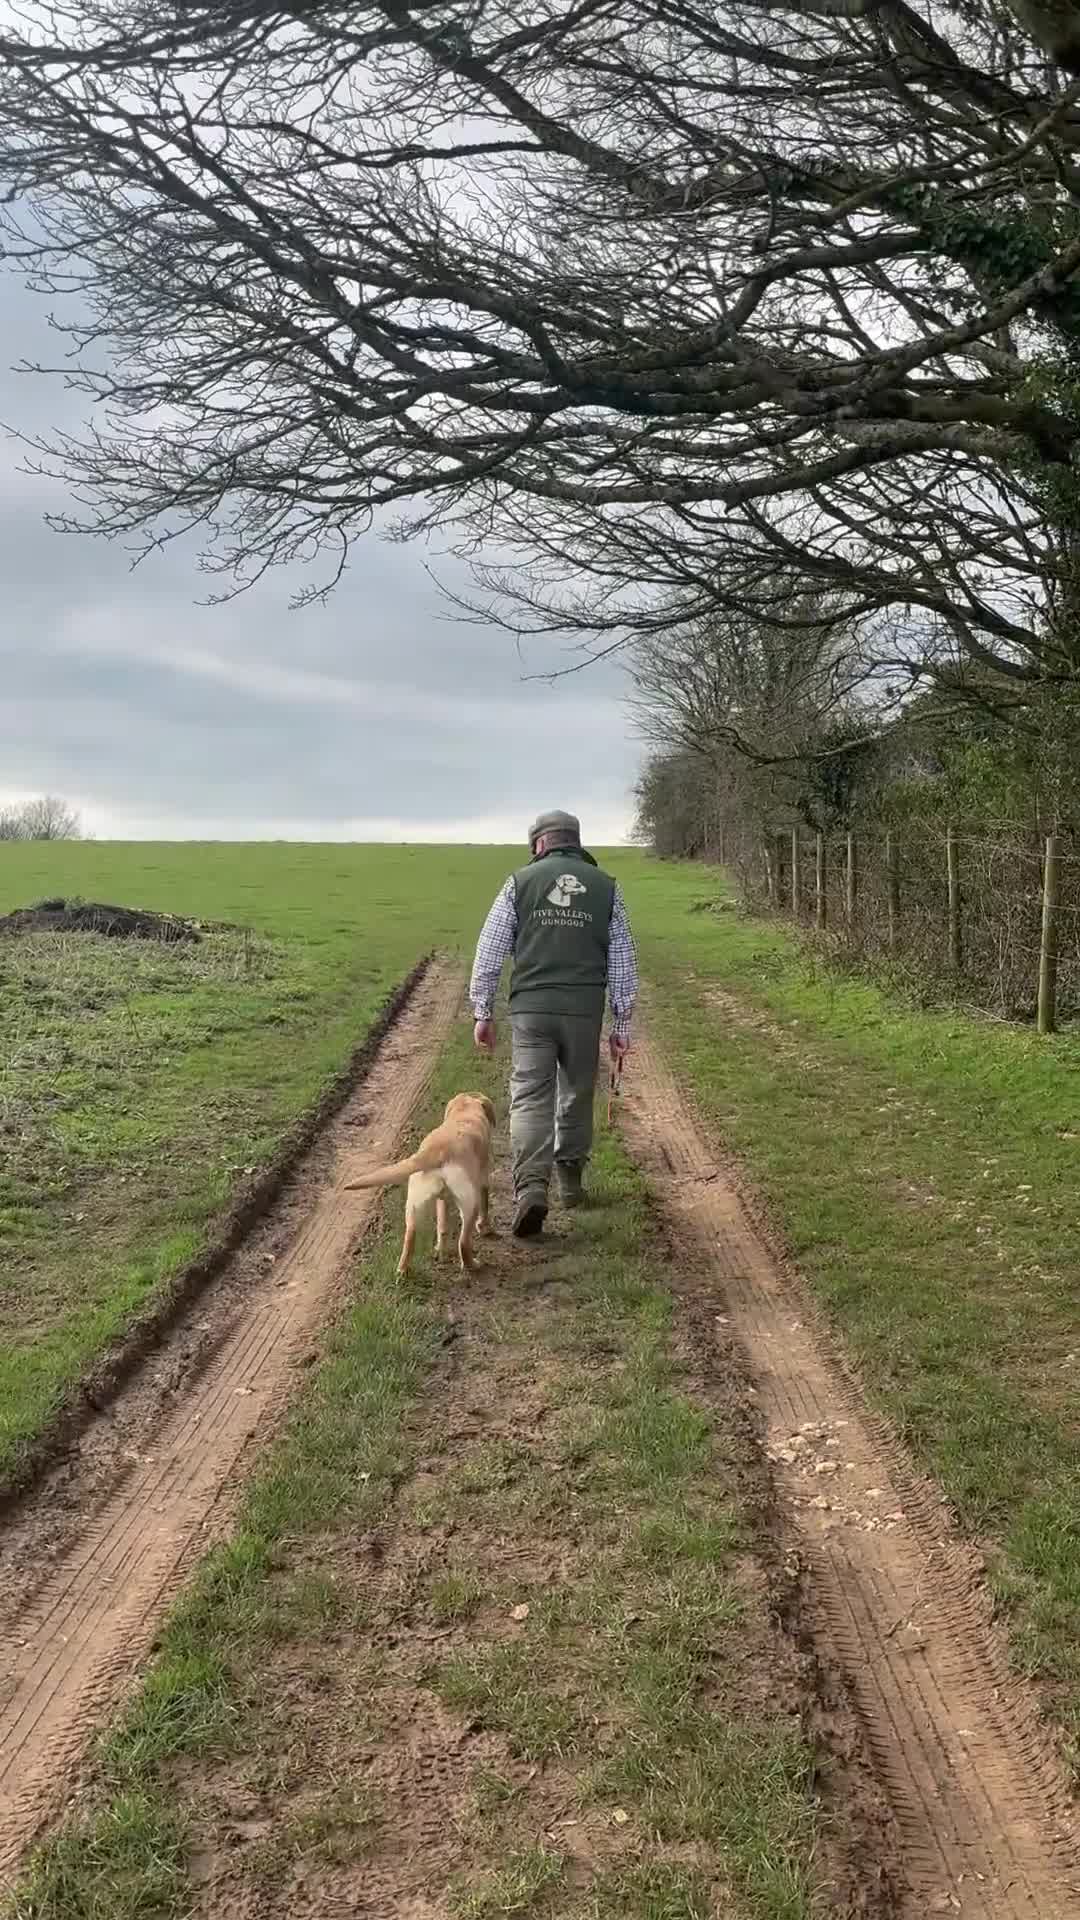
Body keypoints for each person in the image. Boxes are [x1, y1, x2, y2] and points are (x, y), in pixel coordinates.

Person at [469, 809, 638, 1238]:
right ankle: (570, 1186)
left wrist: (483, 1012)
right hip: (584, 1011)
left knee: (529, 1097)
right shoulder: (607, 889)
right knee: (577, 1093)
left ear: (540, 844)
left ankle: (530, 1190)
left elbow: (489, 953)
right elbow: (622, 961)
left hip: (531, 1009)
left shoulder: (517, 884)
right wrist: (621, 1024)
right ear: (576, 843)